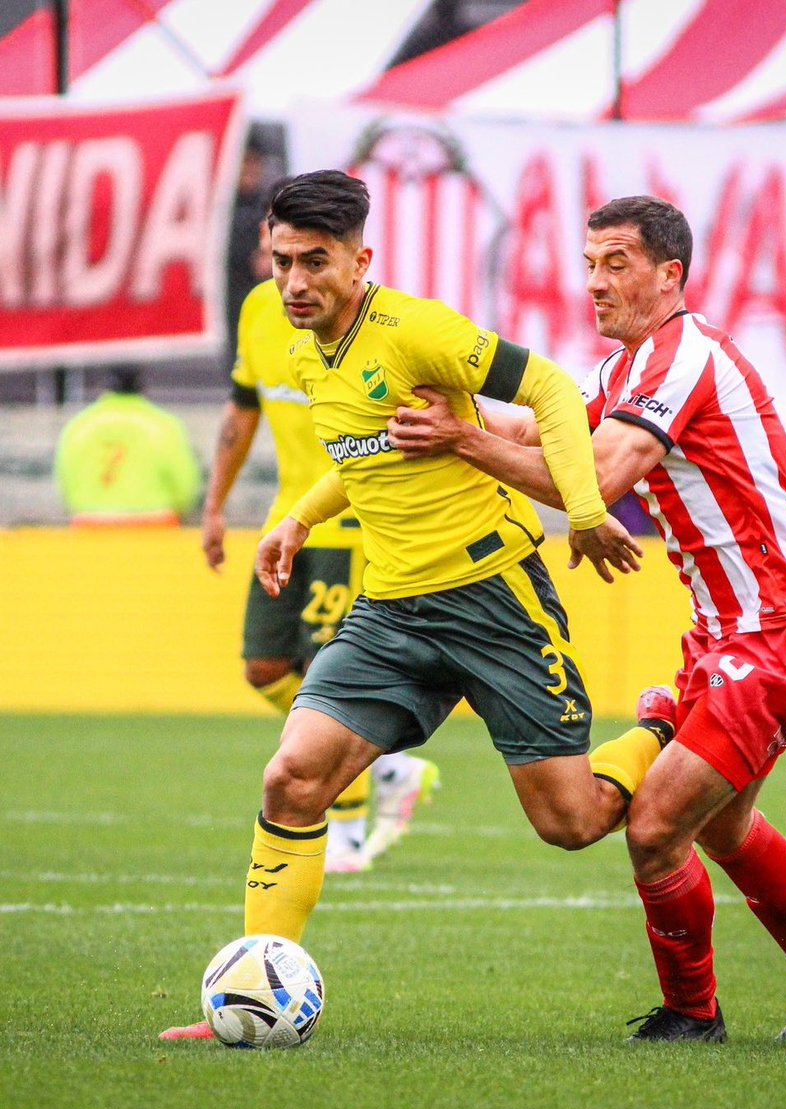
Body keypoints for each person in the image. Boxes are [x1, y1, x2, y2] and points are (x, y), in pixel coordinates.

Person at [159, 169, 660, 1040]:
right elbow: (362, 456)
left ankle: (660, 722)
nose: (296, 282)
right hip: (392, 610)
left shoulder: (416, 330)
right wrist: (294, 520)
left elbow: (547, 388)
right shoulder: (304, 342)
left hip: (494, 596)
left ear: (363, 260)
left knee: (572, 823)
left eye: (316, 262)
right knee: (292, 777)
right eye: (282, 262)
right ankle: (250, 993)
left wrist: (584, 511)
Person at [388, 195, 786, 1043]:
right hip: (736, 630)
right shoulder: (629, 371)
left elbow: (599, 478)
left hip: (778, 629)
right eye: (588, 264)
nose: (595, 282)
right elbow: (546, 430)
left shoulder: (681, 358)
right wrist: (457, 402)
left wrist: (462, 443)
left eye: (615, 263)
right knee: (721, 824)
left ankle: (694, 1015)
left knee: (655, 826)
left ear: (670, 275)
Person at [199, 269, 440, 876]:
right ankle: (387, 765)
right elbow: (242, 410)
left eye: (306, 255)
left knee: (325, 676)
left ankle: (351, 834)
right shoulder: (257, 310)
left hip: (351, 522)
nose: (288, 272)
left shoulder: (368, 324)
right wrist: (214, 506)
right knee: (264, 667)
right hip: (288, 519)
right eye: (276, 253)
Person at [54, 365, 202, 526]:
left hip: (91, 525)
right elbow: (186, 488)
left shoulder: (79, 426)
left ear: (106, 388)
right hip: (155, 526)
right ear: (142, 388)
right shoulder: (164, 425)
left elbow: (65, 482)